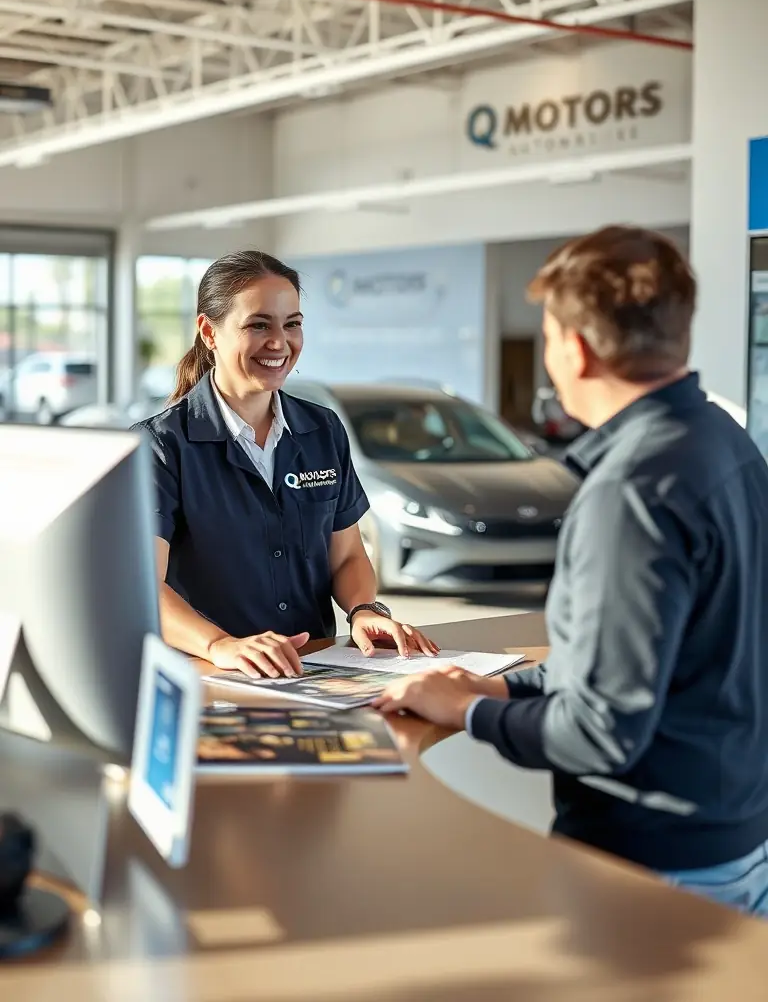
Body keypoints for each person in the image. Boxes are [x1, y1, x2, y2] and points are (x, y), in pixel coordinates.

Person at [374, 224, 768, 916]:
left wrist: (467, 712)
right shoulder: (724, 439)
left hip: (654, 868)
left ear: (576, 350)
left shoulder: (633, 491)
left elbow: (600, 731)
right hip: (731, 836)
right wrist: (494, 685)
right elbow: (641, 670)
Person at [135, 250, 437, 679]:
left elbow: (347, 554)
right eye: (259, 325)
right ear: (209, 332)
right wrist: (220, 645)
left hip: (314, 671)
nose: (280, 342)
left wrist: (363, 610)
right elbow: (144, 583)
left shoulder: (322, 429)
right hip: (211, 675)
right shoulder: (161, 445)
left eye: (292, 324)